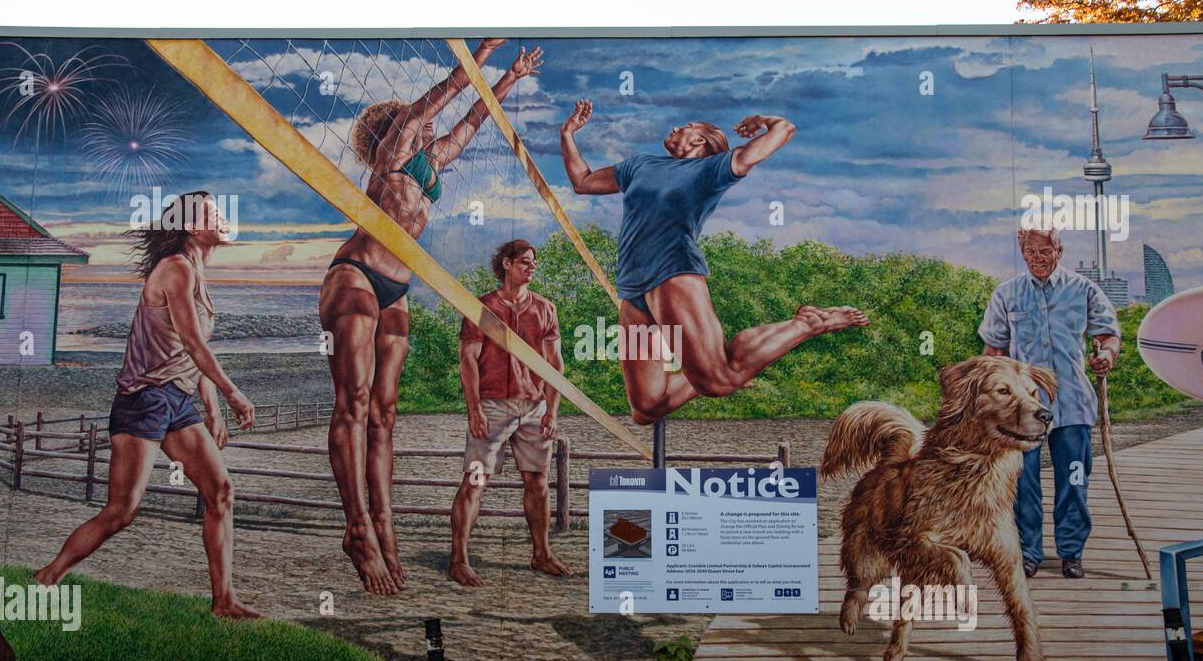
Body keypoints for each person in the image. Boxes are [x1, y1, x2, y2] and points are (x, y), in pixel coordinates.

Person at [322, 39, 543, 594]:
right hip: (355, 275)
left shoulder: (428, 167)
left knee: (385, 414)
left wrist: (510, 78)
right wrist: (475, 59)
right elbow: (432, 106)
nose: (421, 130)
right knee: (353, 401)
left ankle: (384, 529)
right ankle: (356, 528)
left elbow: (468, 122)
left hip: (396, 289)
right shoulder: (390, 158)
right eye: (408, 123)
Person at [561, 100, 870, 424]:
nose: (675, 128)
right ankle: (718, 366)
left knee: (719, 382)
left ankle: (808, 323)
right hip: (632, 289)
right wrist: (568, 133)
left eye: (686, 126)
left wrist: (762, 119)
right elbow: (583, 182)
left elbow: (784, 130)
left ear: (700, 141)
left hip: (671, 273)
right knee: (646, 408)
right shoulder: (639, 166)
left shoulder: (712, 169)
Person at [35, 192, 259, 616]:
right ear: (194, 227)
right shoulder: (175, 269)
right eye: (217, 214)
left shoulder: (196, 272)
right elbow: (193, 343)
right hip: (143, 400)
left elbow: (191, 352)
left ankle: (224, 601)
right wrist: (233, 393)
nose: (226, 220)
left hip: (177, 400)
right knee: (122, 511)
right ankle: (49, 575)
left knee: (221, 491)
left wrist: (211, 411)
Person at [979, 225, 1121, 579]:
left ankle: (1071, 552)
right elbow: (993, 353)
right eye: (1031, 253)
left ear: (1059, 252)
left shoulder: (1084, 290)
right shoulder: (1006, 295)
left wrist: (1106, 354)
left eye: (1045, 252)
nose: (1038, 259)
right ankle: (1028, 552)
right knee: (1022, 481)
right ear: (1023, 253)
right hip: (1020, 410)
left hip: (1072, 403)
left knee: (1073, 479)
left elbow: (1109, 336)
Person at [449, 240, 570, 587]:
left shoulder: (545, 308)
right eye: (525, 262)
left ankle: (541, 554)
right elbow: (467, 361)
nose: (532, 268)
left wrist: (552, 411)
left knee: (538, 483)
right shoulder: (482, 307)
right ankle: (458, 560)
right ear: (506, 264)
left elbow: (555, 364)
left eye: (534, 263)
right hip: (492, 404)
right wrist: (474, 409)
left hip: (534, 406)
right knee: (475, 481)